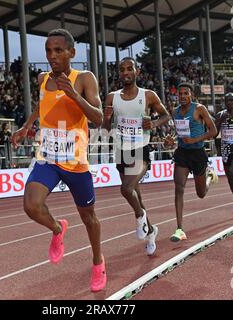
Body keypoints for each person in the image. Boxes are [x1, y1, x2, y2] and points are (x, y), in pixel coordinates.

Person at [11, 29, 106, 292]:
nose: (52, 56)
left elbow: (99, 119)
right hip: (48, 158)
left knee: (89, 218)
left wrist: (74, 95)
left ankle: (98, 262)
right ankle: (57, 228)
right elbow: (42, 107)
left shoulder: (84, 78)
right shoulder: (42, 78)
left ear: (71, 53)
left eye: (58, 50)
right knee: (31, 205)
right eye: (48, 51)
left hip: (75, 161)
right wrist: (26, 126)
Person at [102, 57, 170, 255]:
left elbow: (166, 115)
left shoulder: (148, 95)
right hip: (121, 150)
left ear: (136, 71)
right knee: (136, 195)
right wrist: (106, 119)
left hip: (141, 149)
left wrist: (155, 124)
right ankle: (151, 231)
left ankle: (140, 217)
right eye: (122, 69)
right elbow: (105, 129)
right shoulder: (111, 97)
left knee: (126, 188)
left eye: (129, 68)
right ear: (119, 73)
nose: (125, 72)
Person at [166, 83, 218, 242]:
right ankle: (179, 229)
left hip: (198, 153)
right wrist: (171, 141)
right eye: (180, 94)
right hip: (182, 152)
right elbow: (179, 133)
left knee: (201, 194)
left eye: (185, 93)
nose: (182, 96)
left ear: (192, 95)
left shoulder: (199, 109)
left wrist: (196, 139)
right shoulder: (175, 112)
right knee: (178, 188)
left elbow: (214, 131)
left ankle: (209, 176)